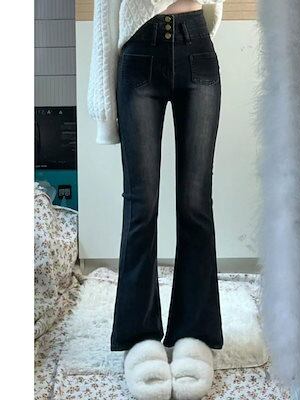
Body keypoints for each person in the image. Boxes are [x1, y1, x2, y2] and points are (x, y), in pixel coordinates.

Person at [88, 1, 225, 398]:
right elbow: (106, 12)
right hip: (139, 51)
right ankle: (139, 334)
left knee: (196, 204)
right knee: (141, 206)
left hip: (196, 46)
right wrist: (105, 114)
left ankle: (194, 332)